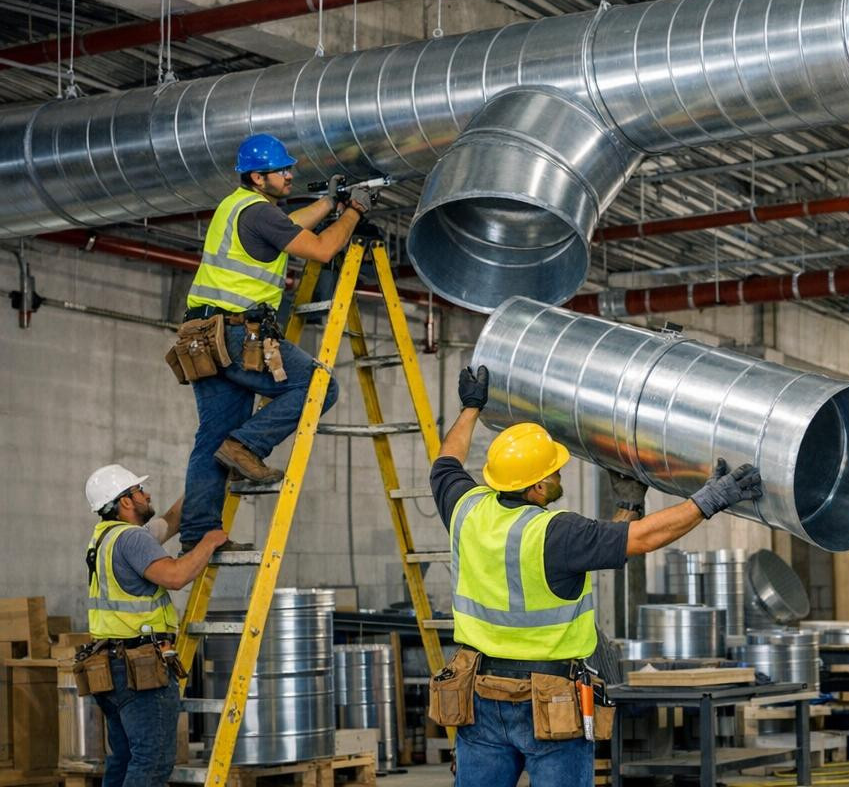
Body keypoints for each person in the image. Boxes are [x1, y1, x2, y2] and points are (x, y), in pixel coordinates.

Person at [432, 366, 764, 786]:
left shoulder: (465, 508)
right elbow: (642, 540)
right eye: (552, 473)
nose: (558, 476)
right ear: (535, 488)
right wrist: (709, 500)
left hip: (479, 694)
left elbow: (446, 460)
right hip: (548, 702)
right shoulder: (557, 532)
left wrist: (470, 407)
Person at [178, 134, 373, 555]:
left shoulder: (239, 207)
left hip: (202, 338)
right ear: (257, 177)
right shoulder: (259, 213)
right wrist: (354, 212)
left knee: (211, 437)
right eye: (281, 171)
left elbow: (292, 226)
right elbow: (322, 248)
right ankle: (248, 445)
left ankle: (198, 538)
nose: (289, 175)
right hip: (234, 333)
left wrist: (329, 203)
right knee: (321, 387)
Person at [83, 464, 226, 787]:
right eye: (139, 491)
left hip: (110, 667)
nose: (147, 494)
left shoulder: (105, 538)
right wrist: (210, 542)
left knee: (123, 758)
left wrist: (206, 478)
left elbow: (171, 520)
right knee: (152, 761)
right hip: (140, 671)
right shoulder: (133, 540)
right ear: (126, 502)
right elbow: (174, 577)